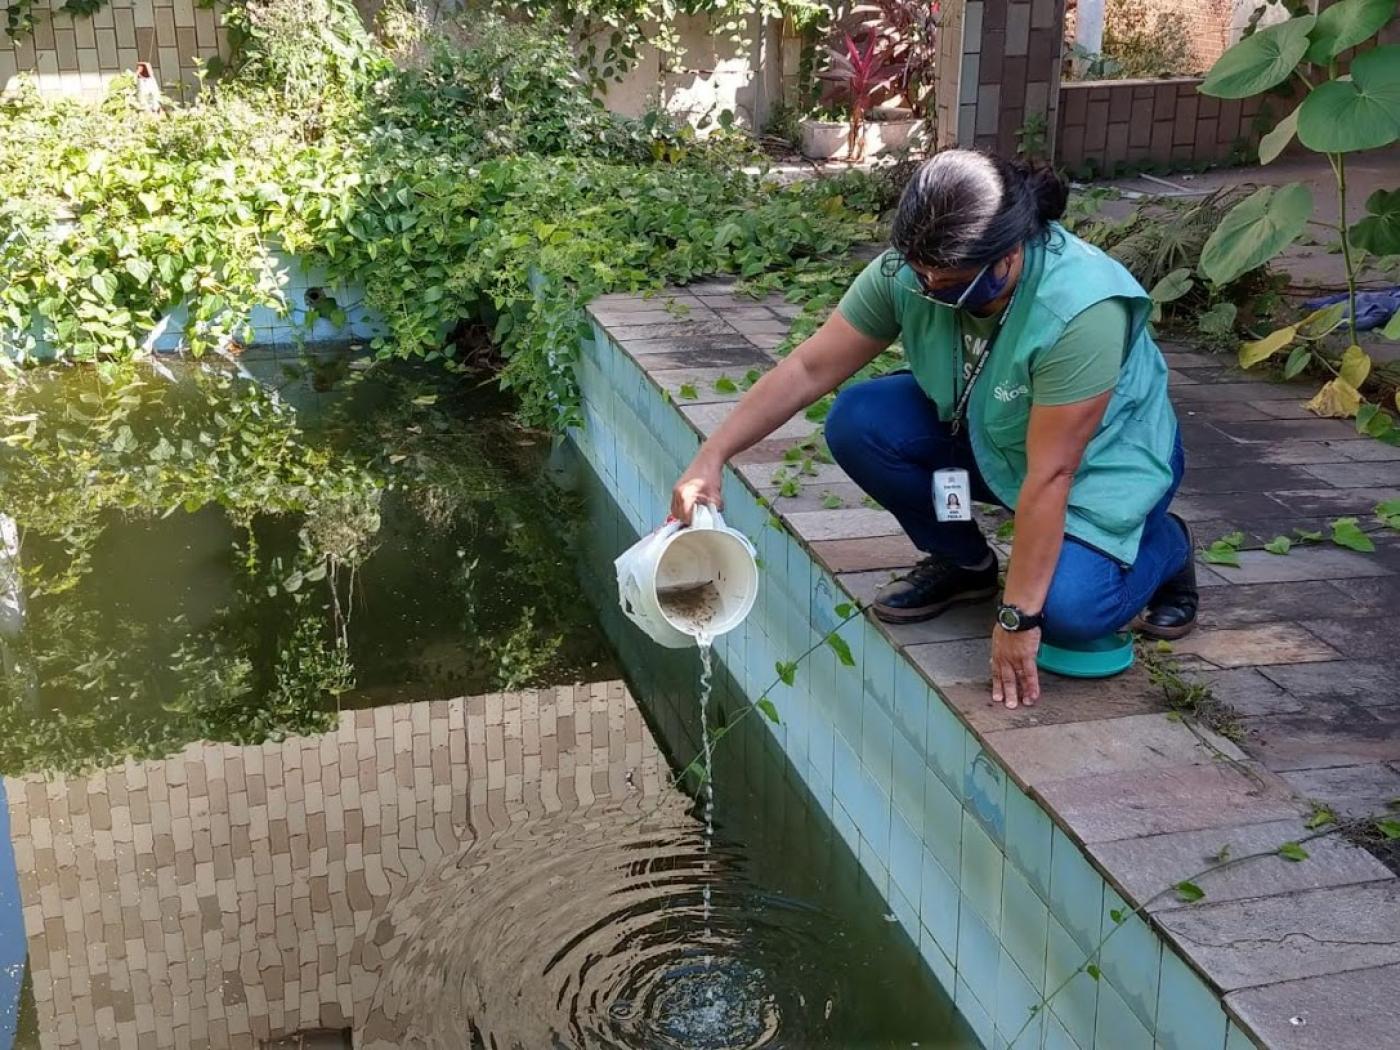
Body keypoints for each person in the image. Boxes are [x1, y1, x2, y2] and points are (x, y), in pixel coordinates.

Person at [670, 149, 1198, 710]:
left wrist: (1018, 617)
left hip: (1100, 465)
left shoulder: (1080, 309)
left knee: (1069, 612)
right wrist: (713, 454)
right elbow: (809, 367)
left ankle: (1167, 546)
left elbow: (1053, 472)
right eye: (921, 274)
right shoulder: (913, 270)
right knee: (860, 422)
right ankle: (965, 564)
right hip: (995, 434)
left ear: (1009, 254)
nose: (928, 289)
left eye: (949, 283)